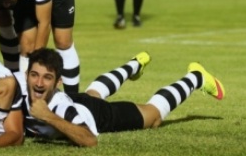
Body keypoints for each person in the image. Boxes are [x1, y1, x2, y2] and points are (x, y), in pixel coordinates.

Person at [18, 48, 225, 147]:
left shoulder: (61, 107)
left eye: (47, 78)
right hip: (79, 101)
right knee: (92, 94)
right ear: (26, 75)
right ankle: (134, 64)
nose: (38, 83)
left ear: (58, 82)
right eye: (34, 75)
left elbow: (90, 139)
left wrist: (49, 116)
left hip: (95, 114)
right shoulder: (18, 93)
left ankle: (196, 77)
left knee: (153, 117)